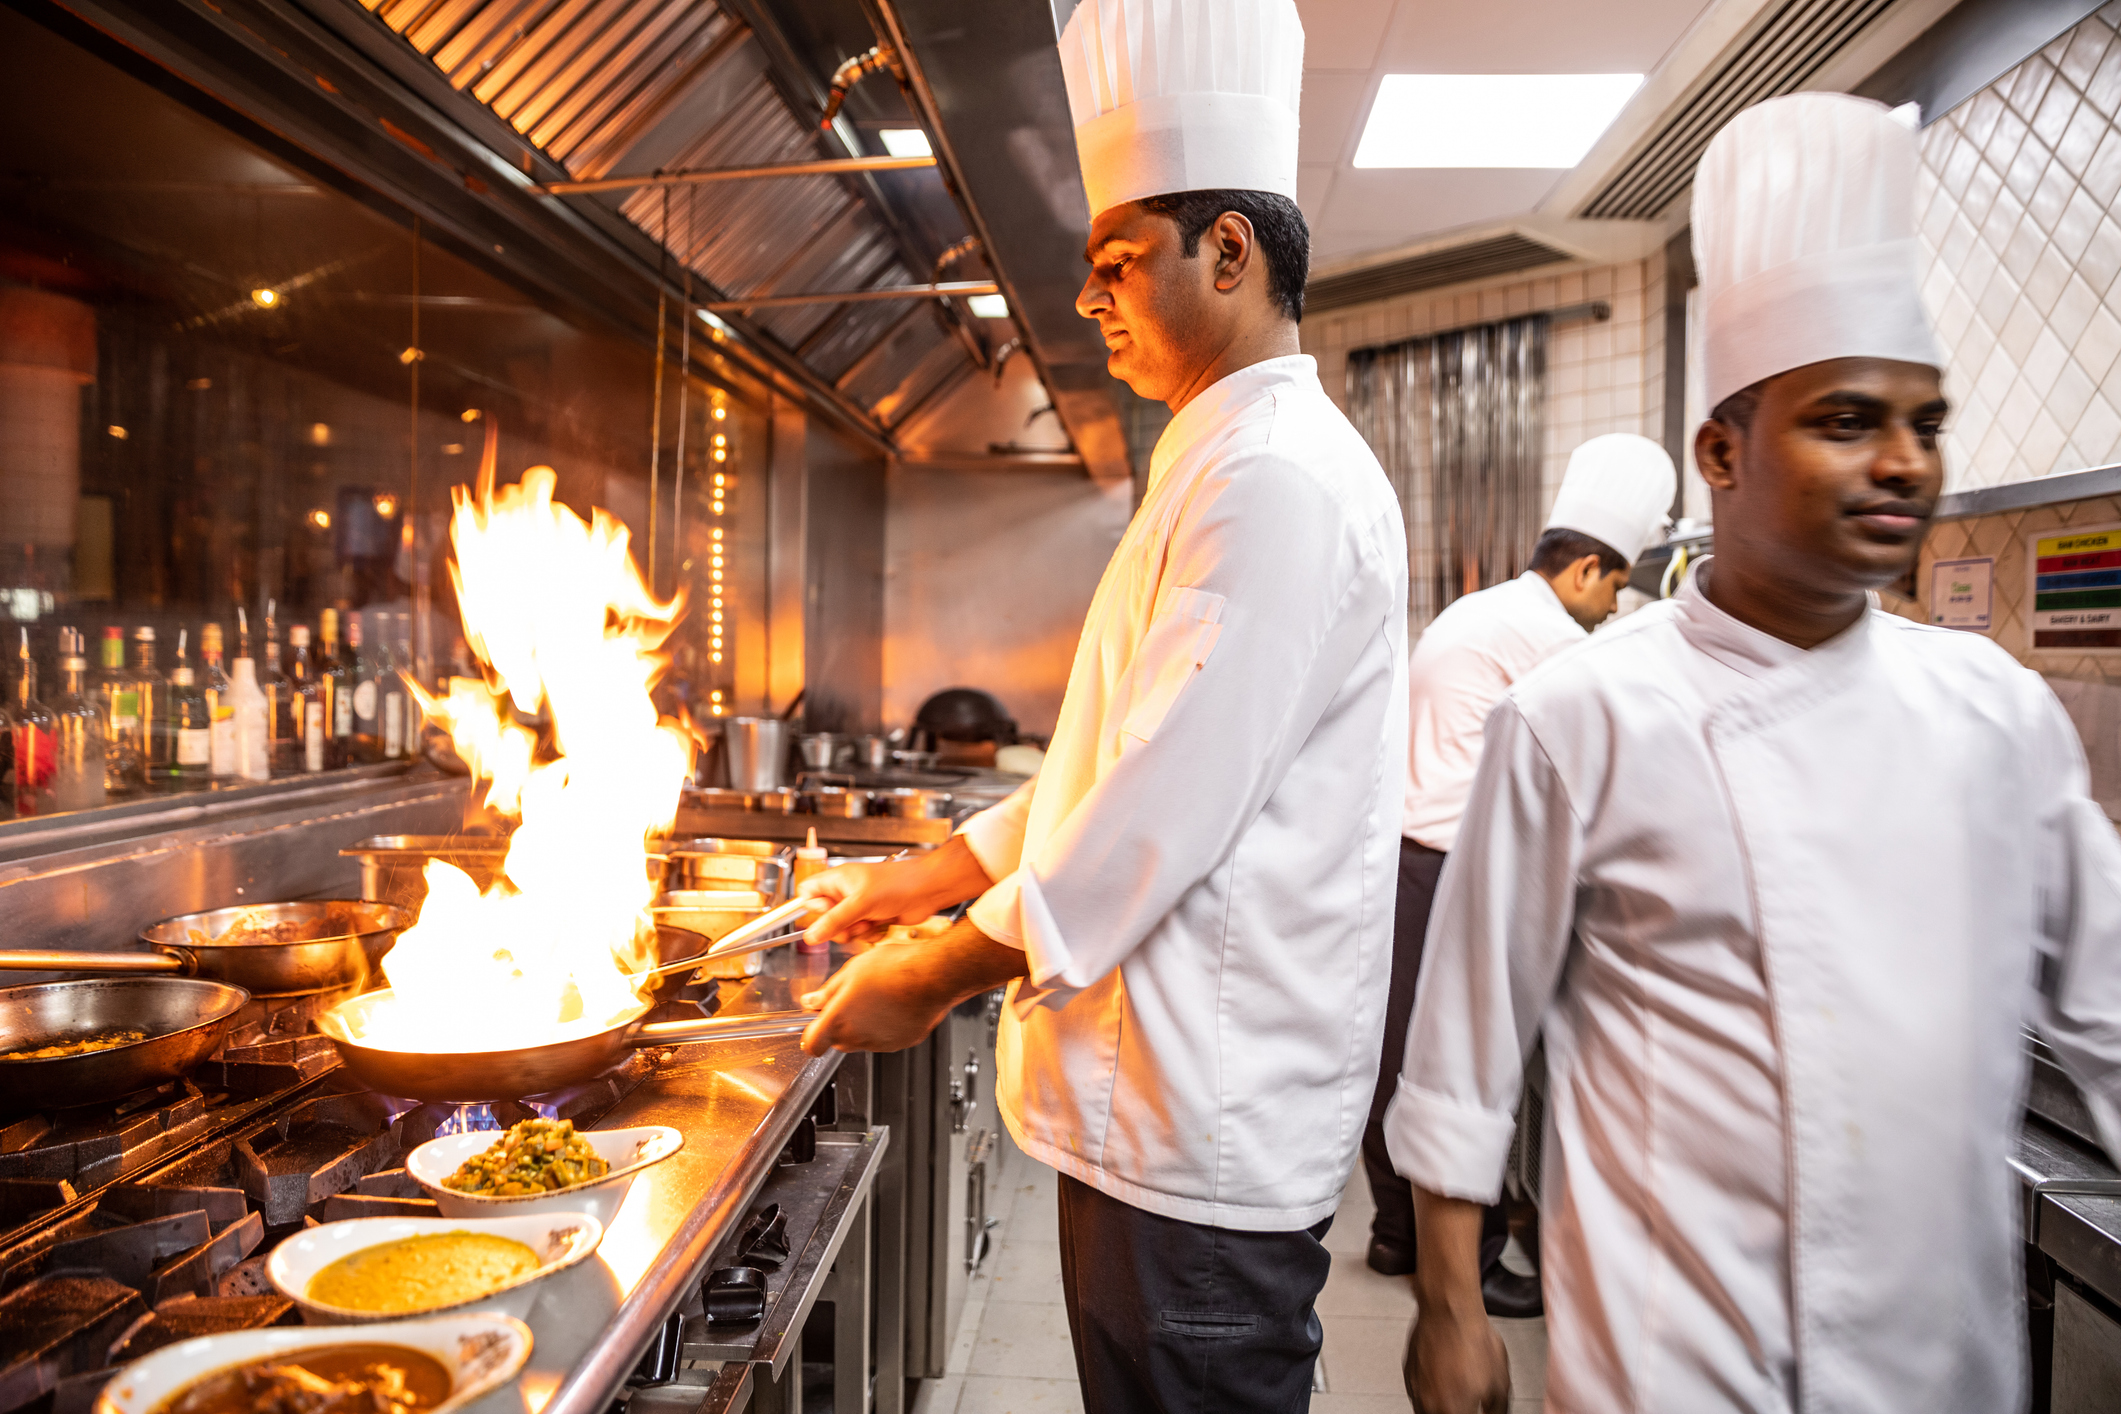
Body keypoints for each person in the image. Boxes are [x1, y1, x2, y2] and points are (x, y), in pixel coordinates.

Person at [1389, 91, 2121, 1414]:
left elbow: (2114, 1011)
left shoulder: (1994, 715)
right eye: (1845, 420)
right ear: (1720, 451)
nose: (1902, 461)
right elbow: (1466, 1042)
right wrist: (1450, 1303)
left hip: (1933, 1368)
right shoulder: (1583, 714)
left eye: (1926, 423)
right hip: (1671, 1366)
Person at [794, 0, 1408, 1407]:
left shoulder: (1275, 482)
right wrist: (934, 875)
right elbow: (1116, 759)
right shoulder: (1218, 460)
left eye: (1117, 263)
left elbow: (1156, 806)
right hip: (1157, 1116)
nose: (1092, 300)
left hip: (1197, 1133)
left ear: (1230, 252)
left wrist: (939, 969)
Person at [1364, 434, 1676, 1322]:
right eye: (1614, 583)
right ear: (1583, 569)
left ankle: (1397, 1233)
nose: (1614, 602)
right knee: (1463, 1070)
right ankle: (1475, 1260)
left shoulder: (1484, 608)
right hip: (1447, 869)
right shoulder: (1546, 636)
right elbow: (1609, 753)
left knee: (1399, 1060)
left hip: (1407, 862)